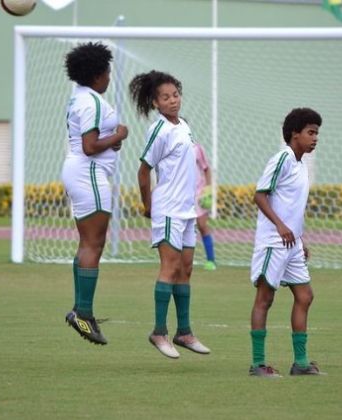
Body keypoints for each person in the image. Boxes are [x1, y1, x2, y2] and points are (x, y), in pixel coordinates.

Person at [130, 70, 210, 359]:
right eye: (166, 97)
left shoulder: (184, 126)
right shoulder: (159, 130)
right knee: (170, 266)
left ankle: (185, 331)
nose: (173, 100)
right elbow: (143, 172)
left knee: (186, 268)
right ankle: (159, 331)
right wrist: (148, 205)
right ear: (155, 103)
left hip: (187, 210)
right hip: (167, 209)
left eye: (175, 94)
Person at [61, 42, 128, 345]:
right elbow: (90, 146)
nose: (110, 77)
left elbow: (90, 141)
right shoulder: (93, 102)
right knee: (94, 242)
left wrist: (110, 142)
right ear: (99, 73)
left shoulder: (79, 97)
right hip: (89, 173)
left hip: (79, 171)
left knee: (87, 242)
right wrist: (119, 135)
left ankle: (80, 309)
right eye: (108, 71)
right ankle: (83, 313)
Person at [248, 107, 323, 377]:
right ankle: (257, 364)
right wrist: (280, 226)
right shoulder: (282, 159)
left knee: (305, 295)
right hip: (273, 242)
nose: (315, 138)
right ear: (295, 134)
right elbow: (259, 195)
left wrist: (300, 238)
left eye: (317, 133)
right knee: (265, 299)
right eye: (310, 132)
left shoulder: (301, 165)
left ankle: (300, 363)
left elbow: (292, 207)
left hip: (292, 244)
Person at [194, 142, 217, 270]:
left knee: (202, 226)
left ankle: (211, 260)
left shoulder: (196, 148)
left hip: (199, 193)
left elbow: (206, 169)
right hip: (181, 195)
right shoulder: (173, 147)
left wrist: (208, 190)